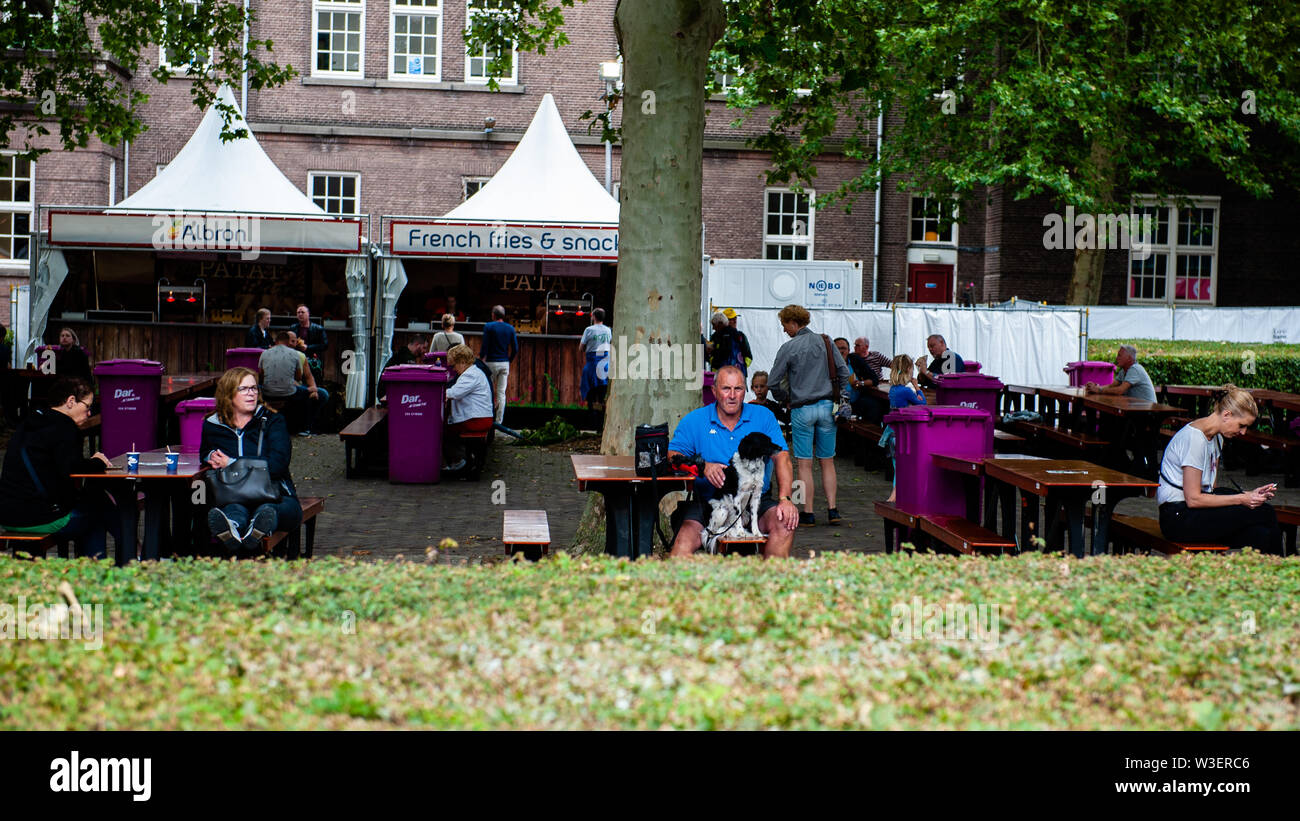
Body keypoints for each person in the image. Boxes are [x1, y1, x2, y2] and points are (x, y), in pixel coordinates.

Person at [668, 365, 798, 558]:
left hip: (756, 501)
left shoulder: (763, 416)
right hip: (710, 502)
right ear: (714, 391)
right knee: (683, 542)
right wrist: (703, 466)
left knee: (785, 523)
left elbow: (782, 458)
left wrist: (785, 499)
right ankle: (688, 586)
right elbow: (673, 456)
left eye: (738, 389)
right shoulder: (695, 420)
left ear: (745, 391)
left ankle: (770, 583)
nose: (732, 395)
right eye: (725, 389)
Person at [0, 377, 121, 558]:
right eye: (88, 406)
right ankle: (110, 567)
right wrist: (98, 462)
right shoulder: (65, 427)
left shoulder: (30, 422)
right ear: (71, 401)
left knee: (92, 503)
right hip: (39, 518)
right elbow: (73, 469)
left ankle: (122, 556)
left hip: (8, 516)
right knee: (96, 512)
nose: (89, 413)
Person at [1157, 385, 1282, 553]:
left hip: (1195, 512)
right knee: (1264, 513)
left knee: (1260, 535)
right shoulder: (1195, 439)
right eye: (1241, 425)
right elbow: (1193, 499)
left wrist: (1249, 495)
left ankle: (1270, 575)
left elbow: (1212, 491)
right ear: (1226, 415)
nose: (1243, 432)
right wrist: (1241, 500)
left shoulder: (1217, 438)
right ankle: (1283, 573)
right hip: (1177, 517)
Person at [200, 368, 302, 554]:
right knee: (234, 510)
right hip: (233, 495)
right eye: (244, 389)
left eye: (254, 388)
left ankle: (256, 527)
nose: (251, 393)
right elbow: (204, 451)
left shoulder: (273, 421)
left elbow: (277, 464)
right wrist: (211, 456)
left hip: (276, 495)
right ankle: (233, 528)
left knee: (267, 510)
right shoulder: (213, 424)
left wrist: (232, 463)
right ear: (228, 394)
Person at [769, 304, 851, 527]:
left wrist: (784, 397)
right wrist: (839, 396)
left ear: (794, 323)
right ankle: (833, 510)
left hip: (801, 409)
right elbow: (844, 373)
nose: (784, 330)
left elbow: (772, 382)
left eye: (785, 325)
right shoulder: (826, 341)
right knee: (828, 461)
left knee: (803, 464)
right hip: (827, 408)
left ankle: (807, 512)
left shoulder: (788, 348)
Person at [260, 331, 328, 436]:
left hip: (268, 392)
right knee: (316, 393)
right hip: (290, 391)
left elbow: (261, 375)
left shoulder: (264, 353)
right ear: (287, 342)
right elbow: (298, 377)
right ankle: (307, 428)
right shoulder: (295, 354)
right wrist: (311, 389)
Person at [443, 344, 494, 474]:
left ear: (462, 362)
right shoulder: (474, 372)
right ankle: (461, 461)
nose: (453, 369)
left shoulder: (470, 375)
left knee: (441, 431)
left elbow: (455, 393)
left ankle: (458, 462)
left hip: (476, 419)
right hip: (479, 417)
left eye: (454, 365)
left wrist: (436, 393)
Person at [883, 354, 927, 503]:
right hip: (902, 432)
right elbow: (922, 404)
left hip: (891, 431)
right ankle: (895, 496)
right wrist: (917, 387)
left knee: (897, 464)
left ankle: (898, 494)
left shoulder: (893, 390)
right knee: (902, 465)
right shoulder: (906, 391)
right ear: (909, 370)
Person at [482, 305, 517, 425]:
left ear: (493, 315)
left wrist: (482, 359)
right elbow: (515, 348)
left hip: (491, 362)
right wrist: (509, 360)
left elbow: (485, 346)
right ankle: (499, 421)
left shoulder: (488, 327)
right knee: (501, 392)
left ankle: (488, 418)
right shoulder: (510, 328)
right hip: (504, 363)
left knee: (488, 391)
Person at [1086, 343, 1157, 402]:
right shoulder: (1124, 371)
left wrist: (1099, 390)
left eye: (1119, 355)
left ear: (1129, 358)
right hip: (1137, 409)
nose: (1116, 358)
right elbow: (1110, 386)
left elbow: (1120, 390)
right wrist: (1096, 387)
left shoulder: (1135, 369)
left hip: (1147, 412)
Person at [578, 308, 612, 408]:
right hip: (605, 364)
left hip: (592, 364)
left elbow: (581, 348)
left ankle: (591, 415)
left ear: (593, 317)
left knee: (590, 392)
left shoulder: (589, 330)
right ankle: (601, 416)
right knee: (602, 392)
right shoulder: (608, 330)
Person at [292, 304, 329, 383]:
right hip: (297, 360)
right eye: (298, 312)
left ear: (308, 314)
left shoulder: (318, 328)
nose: (300, 314)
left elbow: (325, 345)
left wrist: (308, 347)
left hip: (313, 361)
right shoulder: (293, 327)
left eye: (302, 312)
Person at [707, 311, 746, 377]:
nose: (713, 328)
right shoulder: (736, 333)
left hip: (728, 372)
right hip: (738, 371)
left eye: (714, 325)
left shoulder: (726, 335)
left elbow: (724, 353)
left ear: (720, 324)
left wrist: (713, 360)